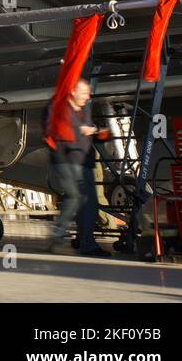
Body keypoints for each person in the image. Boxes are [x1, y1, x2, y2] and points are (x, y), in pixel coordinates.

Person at [46, 79, 103, 255]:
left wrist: (95, 131)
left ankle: (76, 238)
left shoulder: (84, 108)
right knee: (80, 199)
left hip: (83, 160)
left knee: (87, 202)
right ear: (73, 92)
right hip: (68, 160)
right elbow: (55, 130)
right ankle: (79, 240)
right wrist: (83, 130)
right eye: (84, 92)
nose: (88, 96)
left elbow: (90, 128)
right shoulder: (58, 107)